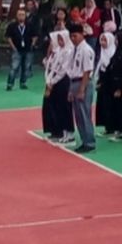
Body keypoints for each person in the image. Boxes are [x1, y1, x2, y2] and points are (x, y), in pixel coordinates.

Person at [66, 23, 97, 153]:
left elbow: (87, 71)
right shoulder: (74, 49)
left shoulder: (86, 50)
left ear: (82, 34)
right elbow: (72, 70)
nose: (73, 39)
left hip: (83, 82)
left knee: (84, 114)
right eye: (71, 36)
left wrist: (81, 89)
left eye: (75, 36)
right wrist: (70, 90)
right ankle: (84, 140)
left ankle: (89, 142)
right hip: (74, 81)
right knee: (78, 116)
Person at [42, 30, 74, 144]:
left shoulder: (68, 51)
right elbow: (49, 67)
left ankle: (68, 132)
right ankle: (56, 130)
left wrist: (52, 82)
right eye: (57, 39)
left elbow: (63, 70)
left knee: (64, 107)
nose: (59, 42)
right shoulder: (57, 52)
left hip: (63, 81)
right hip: (53, 81)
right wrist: (49, 81)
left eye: (61, 39)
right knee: (53, 107)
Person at [5, 9, 35, 90]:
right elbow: (8, 37)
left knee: (26, 67)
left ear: (25, 16)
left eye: (23, 14)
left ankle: (23, 83)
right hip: (17, 50)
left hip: (28, 49)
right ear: (16, 16)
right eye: (19, 14)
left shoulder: (30, 25)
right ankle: (10, 84)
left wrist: (32, 44)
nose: (21, 16)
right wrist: (13, 47)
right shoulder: (12, 26)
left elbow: (35, 36)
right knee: (14, 67)